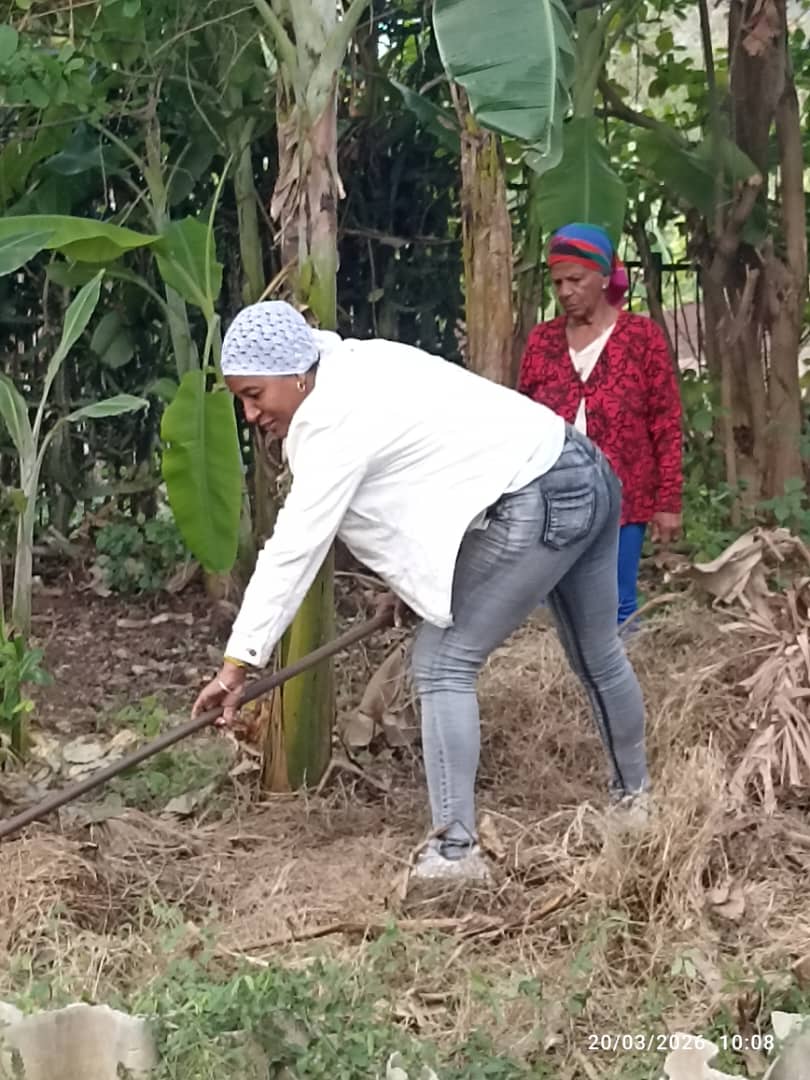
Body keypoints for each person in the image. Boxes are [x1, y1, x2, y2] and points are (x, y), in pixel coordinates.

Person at [192, 300, 650, 887]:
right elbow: (428, 484)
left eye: (255, 395)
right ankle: (638, 806)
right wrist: (415, 585)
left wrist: (238, 664)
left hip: (537, 496)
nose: (251, 413)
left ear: (295, 373)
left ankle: (456, 855)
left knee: (440, 664)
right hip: (579, 466)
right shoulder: (352, 363)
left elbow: (294, 550)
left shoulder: (330, 422)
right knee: (597, 653)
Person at [517, 223, 683, 626]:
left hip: (626, 495)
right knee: (549, 599)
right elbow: (523, 419)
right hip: (553, 497)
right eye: (557, 283)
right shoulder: (542, 341)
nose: (565, 292)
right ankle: (559, 679)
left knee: (618, 599)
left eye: (576, 280)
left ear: (603, 277)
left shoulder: (642, 338)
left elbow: (666, 421)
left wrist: (668, 503)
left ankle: (621, 679)